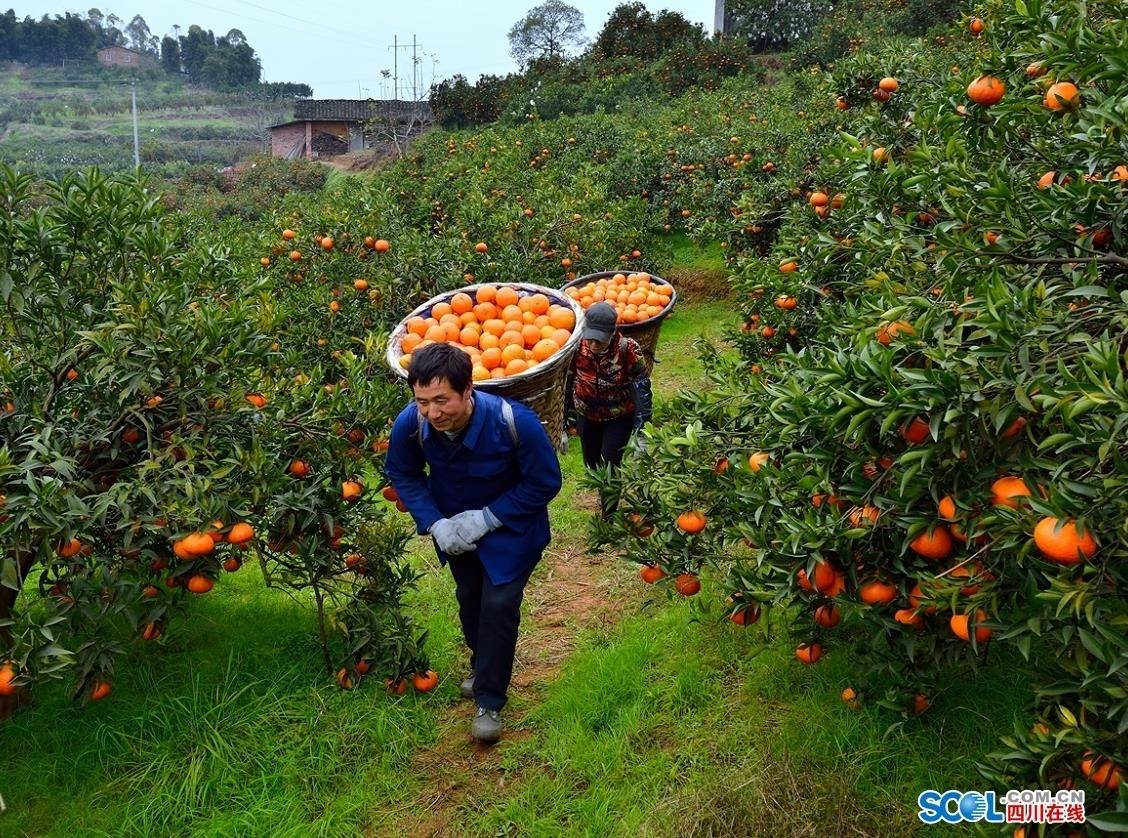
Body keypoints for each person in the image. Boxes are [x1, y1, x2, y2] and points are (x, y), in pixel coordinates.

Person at [384, 341, 563, 743]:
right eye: (423, 402)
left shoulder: (514, 423)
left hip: (513, 532)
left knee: (498, 605)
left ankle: (489, 699)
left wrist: (488, 517)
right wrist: (435, 523)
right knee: (470, 599)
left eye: (442, 400)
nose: (432, 413)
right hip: (456, 534)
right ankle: (483, 666)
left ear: (468, 390)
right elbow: (403, 472)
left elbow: (545, 482)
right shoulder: (412, 424)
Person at [569, 302, 653, 517]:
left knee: (610, 465)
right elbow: (566, 380)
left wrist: (642, 429)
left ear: (612, 332)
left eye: (600, 338)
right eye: (590, 337)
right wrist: (562, 422)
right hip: (586, 413)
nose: (594, 343)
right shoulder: (576, 346)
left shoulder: (627, 348)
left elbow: (641, 387)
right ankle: (603, 493)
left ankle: (609, 517)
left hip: (618, 415)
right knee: (592, 463)